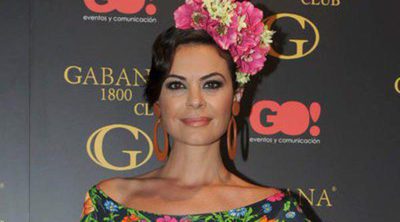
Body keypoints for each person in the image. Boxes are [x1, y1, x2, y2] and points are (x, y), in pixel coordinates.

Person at [80, 0, 311, 221]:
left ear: (236, 95)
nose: (195, 101)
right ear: (158, 98)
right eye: (177, 85)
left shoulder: (275, 211)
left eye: (211, 84)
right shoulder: (111, 203)